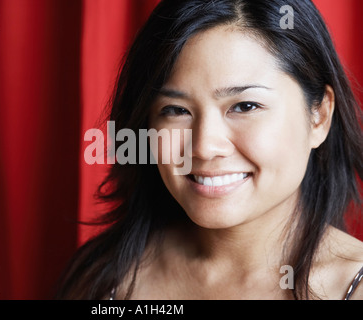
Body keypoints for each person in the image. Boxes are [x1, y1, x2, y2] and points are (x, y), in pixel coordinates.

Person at [57, 0, 363, 300]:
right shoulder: (106, 279)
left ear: (319, 115)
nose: (203, 147)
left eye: (245, 106)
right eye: (176, 110)